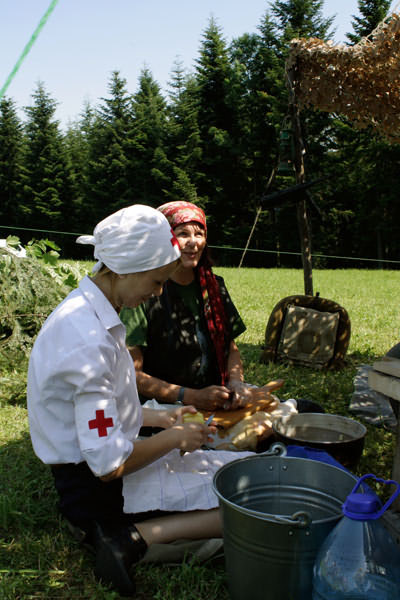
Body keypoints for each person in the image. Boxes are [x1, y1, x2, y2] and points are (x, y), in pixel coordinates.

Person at [27, 205, 251, 595]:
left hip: (94, 471)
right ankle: (127, 537)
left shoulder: (91, 311)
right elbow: (109, 465)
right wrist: (174, 439)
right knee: (245, 500)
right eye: (157, 280)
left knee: (243, 470)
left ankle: (126, 531)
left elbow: (100, 412)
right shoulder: (86, 340)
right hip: (94, 491)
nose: (158, 291)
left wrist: (163, 419)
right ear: (126, 269)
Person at [120, 201, 283, 417]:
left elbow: (230, 347)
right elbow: (132, 374)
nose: (193, 242)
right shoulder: (144, 292)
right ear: (164, 240)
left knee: (288, 414)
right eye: (183, 234)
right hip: (162, 408)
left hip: (215, 400)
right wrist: (191, 396)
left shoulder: (213, 287)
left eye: (199, 234)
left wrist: (236, 382)